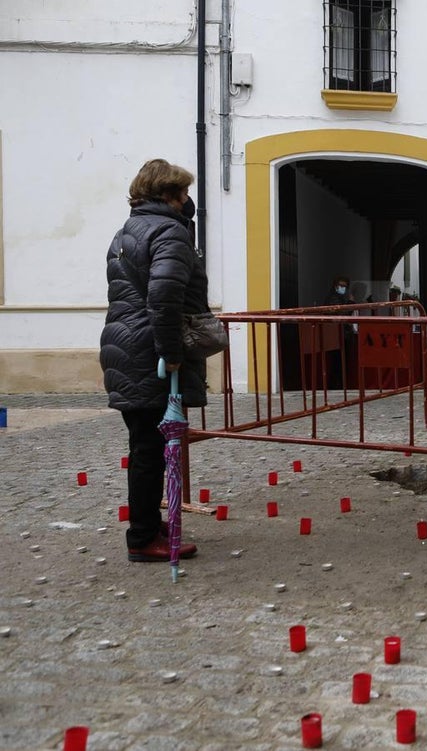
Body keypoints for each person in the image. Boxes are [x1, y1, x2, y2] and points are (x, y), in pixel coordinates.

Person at [100, 159, 207, 562]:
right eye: (182, 193)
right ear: (168, 195)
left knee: (147, 443)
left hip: (124, 347)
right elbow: (163, 297)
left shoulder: (126, 232)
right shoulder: (168, 232)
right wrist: (172, 354)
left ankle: (146, 522)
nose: (187, 201)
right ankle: (143, 539)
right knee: (149, 448)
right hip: (149, 352)